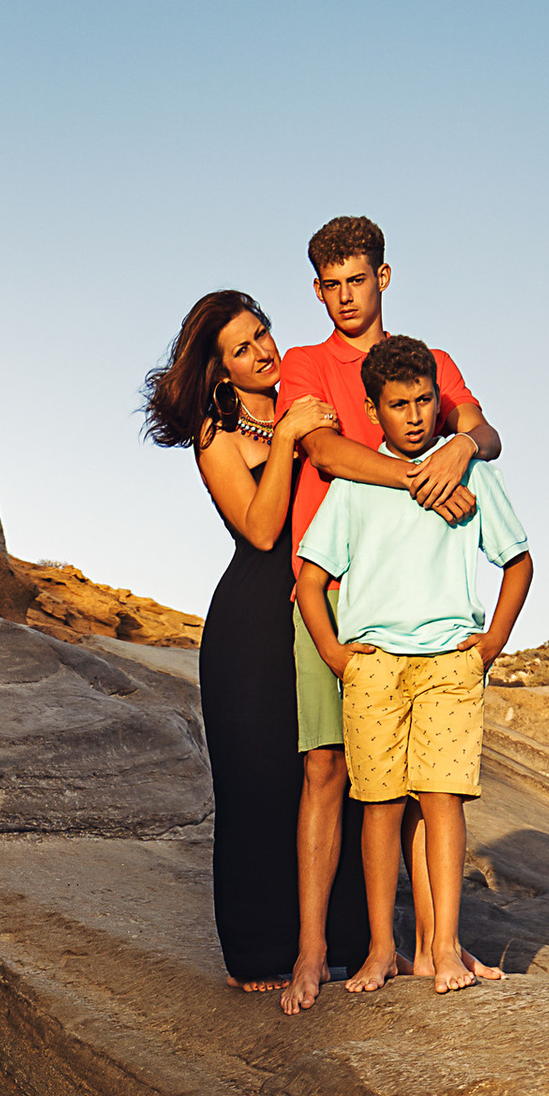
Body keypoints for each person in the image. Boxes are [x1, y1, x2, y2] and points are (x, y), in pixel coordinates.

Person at [276, 216, 499, 1010]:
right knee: (327, 769)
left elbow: (484, 432)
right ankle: (312, 952)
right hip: (335, 592)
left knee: (419, 782)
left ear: (384, 277)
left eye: (358, 280)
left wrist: (458, 448)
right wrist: (418, 475)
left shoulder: (429, 363)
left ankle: (436, 943)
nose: (346, 296)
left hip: (415, 602)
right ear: (317, 290)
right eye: (332, 285)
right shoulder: (304, 365)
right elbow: (325, 453)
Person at [295, 333, 534, 996]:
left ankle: (445, 949)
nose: (414, 415)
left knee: (442, 800)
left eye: (425, 400)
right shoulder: (354, 485)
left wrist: (492, 641)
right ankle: (380, 950)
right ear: (374, 411)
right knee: (379, 806)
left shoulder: (471, 473)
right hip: (374, 668)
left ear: (438, 400)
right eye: (398, 404)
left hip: (448, 667)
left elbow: (518, 562)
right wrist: (335, 654)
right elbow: (310, 580)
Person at [142, 289, 361, 988]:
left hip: (324, 608)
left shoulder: (309, 396)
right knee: (260, 784)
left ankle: (341, 938)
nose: (263, 351)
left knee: (336, 775)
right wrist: (289, 439)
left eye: (262, 333)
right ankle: (257, 951)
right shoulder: (216, 437)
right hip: (252, 626)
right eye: (243, 348)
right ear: (220, 370)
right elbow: (263, 530)